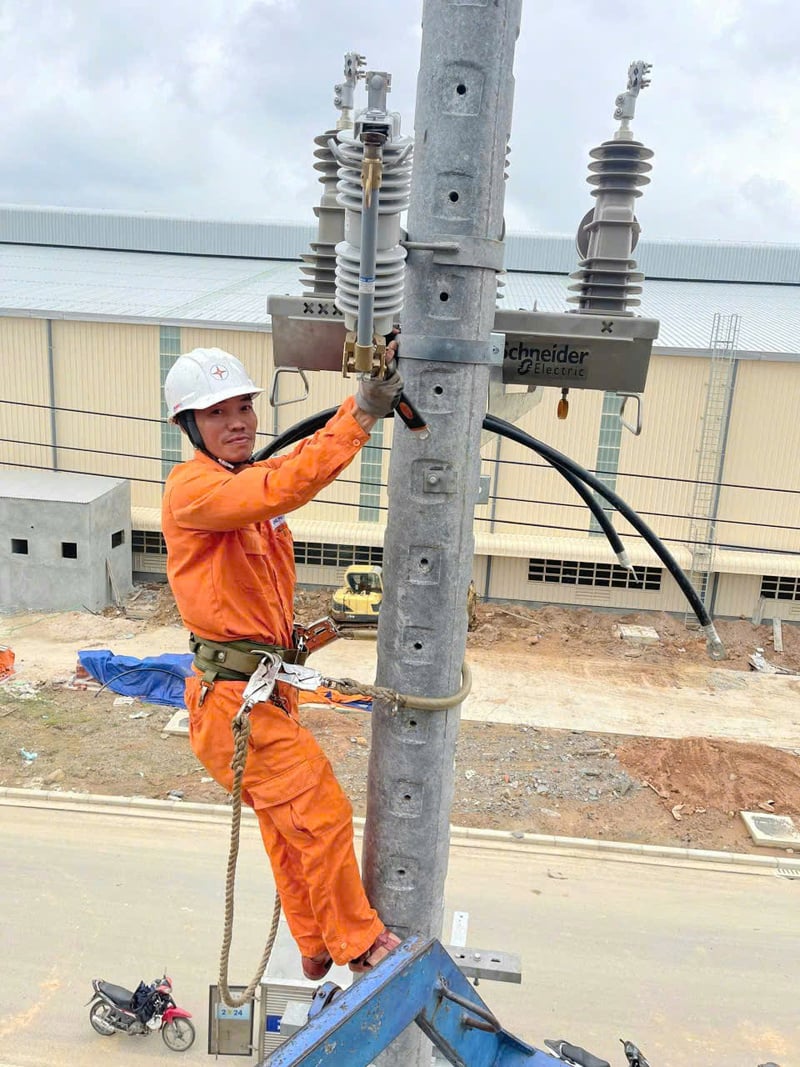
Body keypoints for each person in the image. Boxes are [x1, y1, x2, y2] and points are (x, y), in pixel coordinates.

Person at [161, 346, 403, 980]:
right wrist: (361, 413)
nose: (238, 421)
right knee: (319, 812)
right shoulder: (194, 489)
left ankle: (316, 942)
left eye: (244, 407)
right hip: (231, 703)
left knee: (285, 828)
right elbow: (284, 483)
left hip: (261, 690)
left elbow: (284, 471)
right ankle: (359, 943)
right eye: (218, 414)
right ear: (188, 425)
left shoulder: (239, 486)